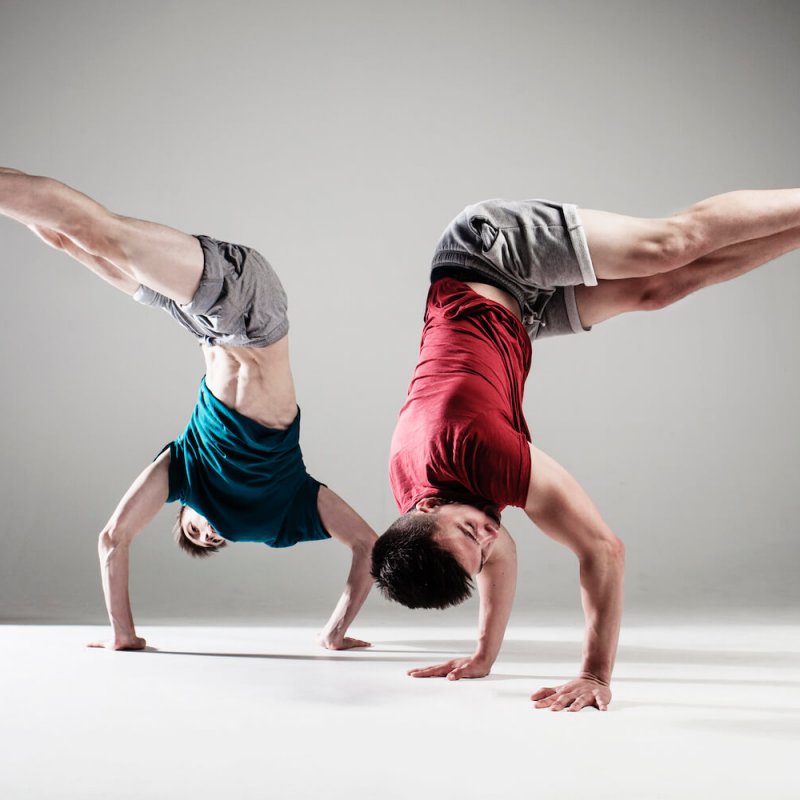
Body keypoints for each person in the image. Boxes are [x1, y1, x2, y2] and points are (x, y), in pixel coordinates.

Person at [371, 191, 800, 711]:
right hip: (515, 318)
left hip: (486, 253)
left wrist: (595, 674)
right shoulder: (428, 513)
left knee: (668, 247)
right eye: (479, 549)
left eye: (471, 531)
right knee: (660, 290)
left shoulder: (479, 451)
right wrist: (483, 655)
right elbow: (497, 557)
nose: (489, 536)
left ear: (429, 508)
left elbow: (603, 550)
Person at [0, 167, 376, 652]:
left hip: (204, 323)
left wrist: (123, 634)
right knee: (100, 230)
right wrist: (334, 633)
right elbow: (369, 545)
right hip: (250, 312)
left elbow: (113, 538)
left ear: (180, 511)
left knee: (70, 240)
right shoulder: (287, 513)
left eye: (197, 536)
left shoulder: (186, 471)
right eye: (209, 541)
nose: (211, 536)